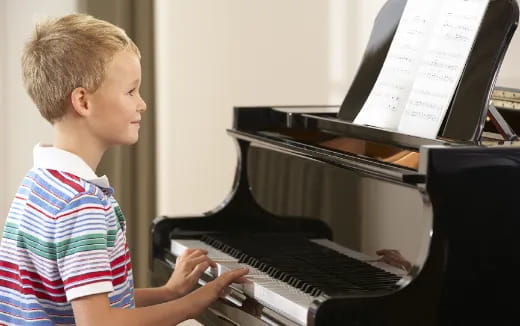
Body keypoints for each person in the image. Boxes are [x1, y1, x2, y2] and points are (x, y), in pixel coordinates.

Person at [0, 13, 248, 326]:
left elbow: (89, 302)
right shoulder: (80, 203)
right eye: (131, 91)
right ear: (83, 102)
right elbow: (99, 323)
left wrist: (168, 293)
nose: (142, 104)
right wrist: (194, 304)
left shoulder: (40, 184)